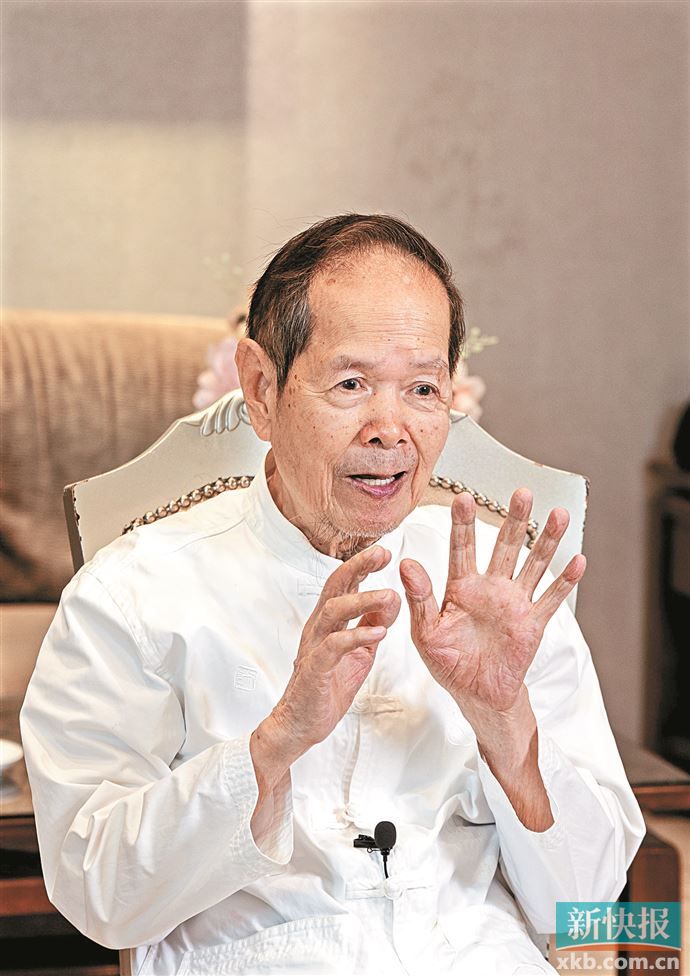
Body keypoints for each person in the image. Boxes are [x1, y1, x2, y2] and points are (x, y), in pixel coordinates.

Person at [20, 214, 645, 976]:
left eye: (422, 389)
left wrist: (503, 720)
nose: (390, 430)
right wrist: (277, 741)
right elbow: (99, 894)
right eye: (351, 385)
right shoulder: (133, 593)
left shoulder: (498, 594)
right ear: (261, 388)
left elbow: (586, 905)